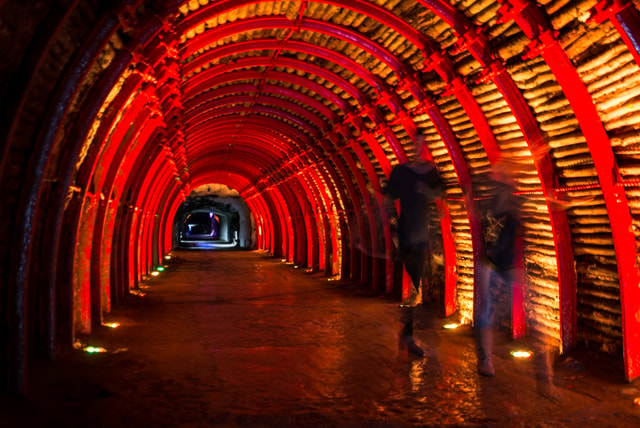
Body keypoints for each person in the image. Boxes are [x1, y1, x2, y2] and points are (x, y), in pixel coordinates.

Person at [383, 135, 445, 357]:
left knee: (420, 284)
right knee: (415, 286)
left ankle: (409, 334)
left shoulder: (431, 172)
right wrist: (391, 230)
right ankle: (409, 335)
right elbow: (388, 196)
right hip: (407, 233)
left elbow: (442, 191)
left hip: (425, 233)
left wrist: (428, 192)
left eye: (423, 143)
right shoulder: (401, 171)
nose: (419, 147)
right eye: (416, 143)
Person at [475, 159, 522, 376]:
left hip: (500, 262)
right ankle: (485, 360)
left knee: (488, 311)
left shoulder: (507, 198)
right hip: (495, 263)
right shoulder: (503, 198)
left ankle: (486, 359)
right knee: (487, 312)